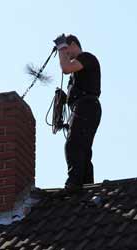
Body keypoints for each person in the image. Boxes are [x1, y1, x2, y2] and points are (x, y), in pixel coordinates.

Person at [54, 34, 102, 192]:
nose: (66, 56)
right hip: (85, 108)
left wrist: (61, 48)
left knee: (73, 145)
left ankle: (74, 183)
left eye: (67, 52)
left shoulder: (87, 58)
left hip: (86, 106)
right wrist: (64, 98)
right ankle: (86, 185)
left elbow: (66, 68)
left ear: (73, 44)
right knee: (83, 148)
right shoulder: (78, 72)